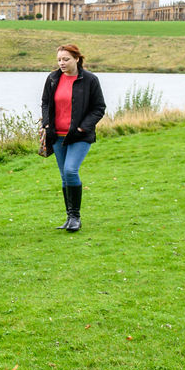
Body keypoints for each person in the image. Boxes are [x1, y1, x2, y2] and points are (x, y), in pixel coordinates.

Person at [40, 43, 106, 232]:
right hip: (57, 136)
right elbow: (45, 103)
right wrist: (46, 123)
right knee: (64, 177)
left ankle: (76, 217)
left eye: (66, 59)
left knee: (70, 170)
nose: (62, 63)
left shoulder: (90, 80)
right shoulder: (52, 79)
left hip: (79, 136)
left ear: (77, 59)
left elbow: (99, 108)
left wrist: (82, 127)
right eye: (59, 59)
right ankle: (70, 218)